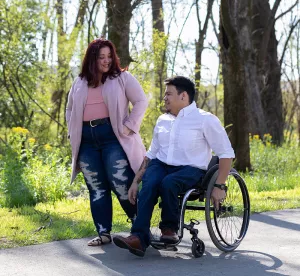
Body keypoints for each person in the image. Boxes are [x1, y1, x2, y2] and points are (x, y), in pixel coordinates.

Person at [113, 76, 235, 257]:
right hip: (160, 165)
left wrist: (219, 185)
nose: (164, 98)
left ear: (183, 96)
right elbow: (151, 154)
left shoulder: (206, 120)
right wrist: (135, 181)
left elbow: (226, 154)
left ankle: (169, 229)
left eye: (168, 94)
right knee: (150, 184)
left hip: (191, 169)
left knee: (168, 183)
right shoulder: (163, 120)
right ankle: (138, 237)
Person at [66, 38, 148, 246]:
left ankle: (139, 229)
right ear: (91, 59)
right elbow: (69, 108)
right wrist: (72, 131)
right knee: (96, 187)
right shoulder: (80, 82)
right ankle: (103, 232)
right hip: (86, 140)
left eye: (109, 56)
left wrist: (130, 125)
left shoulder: (122, 78)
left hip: (113, 137)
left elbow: (141, 101)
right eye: (101, 57)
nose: (106, 61)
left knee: (121, 182)